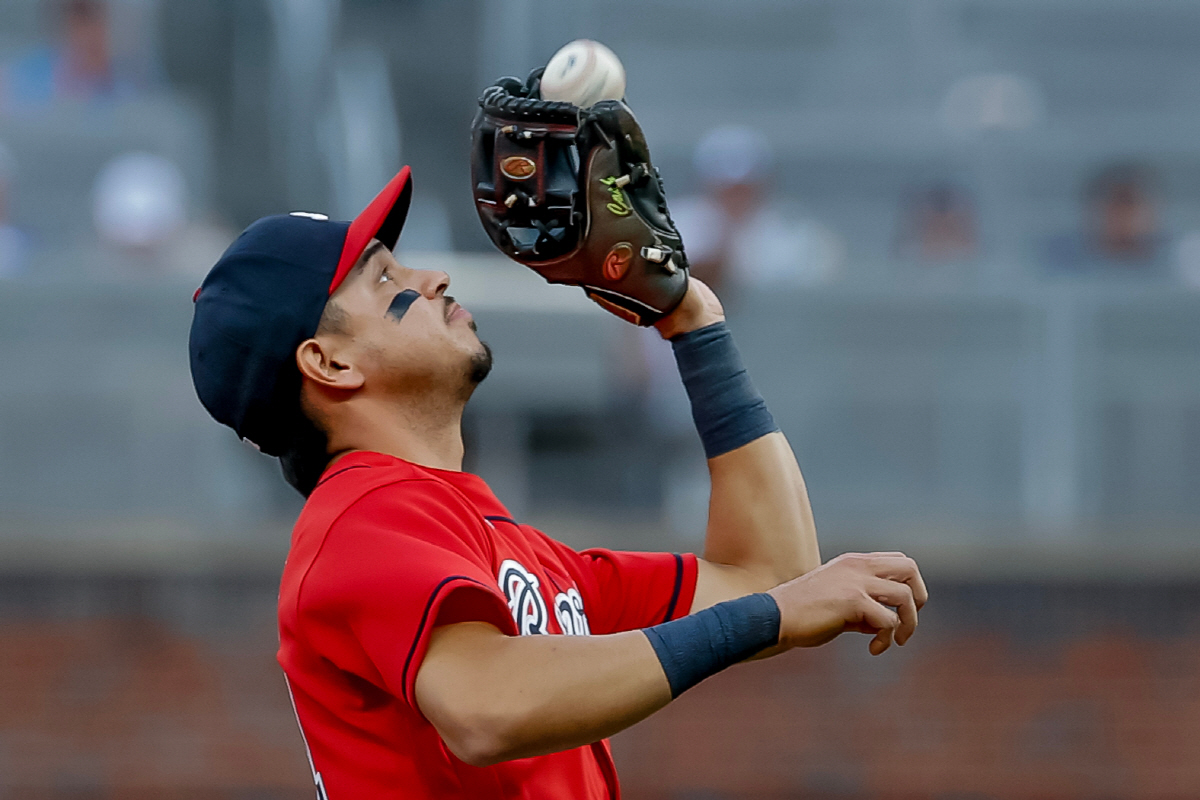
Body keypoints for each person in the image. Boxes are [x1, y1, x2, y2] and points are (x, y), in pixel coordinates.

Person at [189, 167, 927, 799]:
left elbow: (772, 576)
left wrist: (692, 321)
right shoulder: (360, 519)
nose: (432, 277)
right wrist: (765, 615)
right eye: (385, 280)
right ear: (330, 363)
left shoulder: (494, 540)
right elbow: (487, 708)